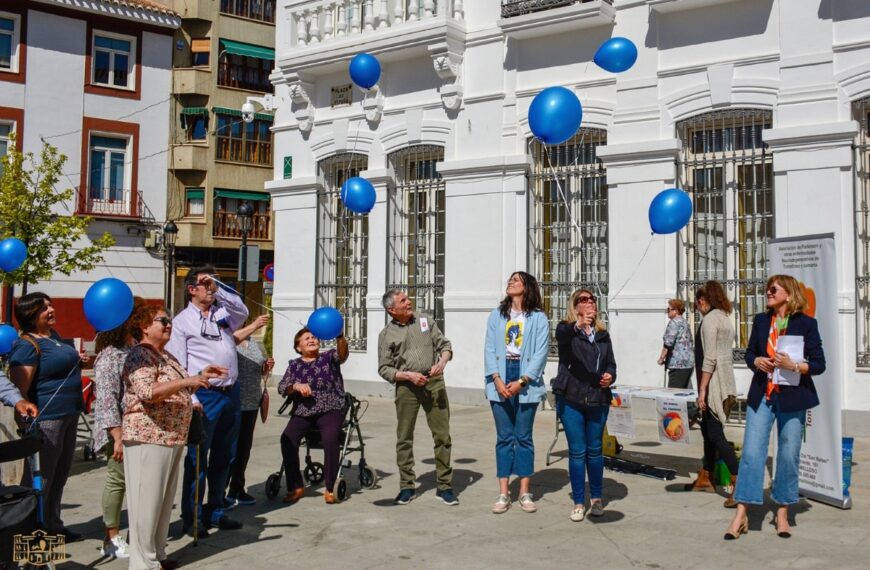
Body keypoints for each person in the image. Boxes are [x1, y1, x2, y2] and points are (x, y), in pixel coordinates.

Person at [122, 303, 224, 570]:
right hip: (148, 435)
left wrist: (200, 377)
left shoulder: (166, 356)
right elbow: (148, 391)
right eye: (161, 320)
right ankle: (143, 564)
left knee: (162, 502)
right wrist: (188, 382)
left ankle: (157, 555)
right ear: (144, 326)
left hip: (170, 436)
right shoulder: (139, 356)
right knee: (147, 503)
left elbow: (176, 385)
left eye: (169, 320)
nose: (168, 324)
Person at [725, 274, 825, 540]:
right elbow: (748, 353)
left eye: (773, 289)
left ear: (788, 295)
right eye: (768, 290)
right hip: (763, 396)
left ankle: (782, 510)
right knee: (751, 453)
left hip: (793, 398)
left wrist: (794, 366)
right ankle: (741, 512)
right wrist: (756, 360)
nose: (768, 293)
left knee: (788, 454)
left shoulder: (806, 324)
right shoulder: (761, 321)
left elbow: (818, 364)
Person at [166, 265, 249, 535]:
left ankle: (216, 509)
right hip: (204, 395)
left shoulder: (221, 313)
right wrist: (189, 397)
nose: (211, 287)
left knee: (226, 455)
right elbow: (178, 364)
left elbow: (243, 313)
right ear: (192, 289)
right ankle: (192, 516)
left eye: (214, 282)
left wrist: (221, 290)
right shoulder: (181, 322)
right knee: (198, 458)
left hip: (230, 392)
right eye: (206, 283)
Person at [8, 292, 88, 541]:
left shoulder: (52, 336)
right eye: (44, 308)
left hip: (69, 413)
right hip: (48, 419)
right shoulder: (27, 345)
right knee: (41, 478)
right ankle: (32, 532)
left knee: (60, 475)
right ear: (31, 315)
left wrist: (77, 361)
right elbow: (20, 390)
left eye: (50, 304)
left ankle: (53, 525)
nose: (51, 309)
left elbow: (58, 364)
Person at [377, 289, 458, 506]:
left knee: (442, 435)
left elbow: (445, 346)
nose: (409, 301)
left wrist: (441, 363)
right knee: (404, 437)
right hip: (407, 387)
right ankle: (407, 486)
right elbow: (384, 368)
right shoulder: (386, 335)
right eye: (403, 300)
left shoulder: (425, 321)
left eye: (407, 298)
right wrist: (407, 376)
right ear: (392, 310)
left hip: (434, 382)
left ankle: (444, 486)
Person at [484, 272, 549, 514]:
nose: (511, 283)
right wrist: (497, 379)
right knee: (504, 437)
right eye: (510, 280)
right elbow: (489, 348)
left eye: (516, 280)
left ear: (527, 287)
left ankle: (524, 492)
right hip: (500, 375)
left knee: (523, 437)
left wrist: (523, 380)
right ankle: (503, 493)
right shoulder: (496, 315)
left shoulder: (538, 318)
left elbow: (541, 352)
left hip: (526, 378)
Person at [552, 289, 616, 522]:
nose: (589, 303)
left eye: (592, 300)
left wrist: (610, 375)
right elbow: (562, 337)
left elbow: (611, 363)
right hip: (572, 398)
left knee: (595, 450)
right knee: (577, 451)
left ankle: (597, 498)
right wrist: (578, 325)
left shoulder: (602, 334)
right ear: (575, 306)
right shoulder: (566, 329)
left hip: (598, 397)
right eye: (583, 300)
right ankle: (579, 501)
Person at [92, 297, 145, 559]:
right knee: (117, 480)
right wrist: (117, 436)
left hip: (137, 427)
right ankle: (110, 537)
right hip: (118, 430)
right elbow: (106, 400)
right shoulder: (110, 357)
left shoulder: (134, 350)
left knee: (132, 482)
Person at [277, 328, 348, 504]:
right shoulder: (294, 365)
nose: (311, 340)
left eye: (314, 337)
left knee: (331, 439)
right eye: (306, 338)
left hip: (330, 407)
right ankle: (296, 486)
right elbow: (282, 387)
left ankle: (330, 488)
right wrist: (296, 386)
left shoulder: (328, 357)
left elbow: (343, 354)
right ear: (298, 347)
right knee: (287, 439)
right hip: (303, 411)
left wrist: (339, 335)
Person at [684, 281, 739, 505]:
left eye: (697, 305)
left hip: (713, 383)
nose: (698, 309)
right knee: (707, 430)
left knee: (716, 433)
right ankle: (706, 476)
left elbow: (710, 357)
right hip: (726, 380)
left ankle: (739, 482)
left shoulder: (709, 320)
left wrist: (703, 390)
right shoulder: (725, 318)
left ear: (702, 301)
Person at [226, 315, 274, 506]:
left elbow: (260, 369)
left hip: (252, 402)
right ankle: (221, 491)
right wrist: (255, 325)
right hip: (234, 401)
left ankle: (237, 488)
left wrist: (266, 367)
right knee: (231, 449)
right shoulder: (229, 340)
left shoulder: (254, 343)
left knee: (244, 448)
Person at [658, 299, 695, 389]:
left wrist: (661, 358)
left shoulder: (674, 322)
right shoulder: (684, 322)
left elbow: (668, 343)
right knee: (683, 394)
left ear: (676, 310)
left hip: (678, 364)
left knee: (673, 394)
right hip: (688, 363)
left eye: (668, 309)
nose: (667, 312)